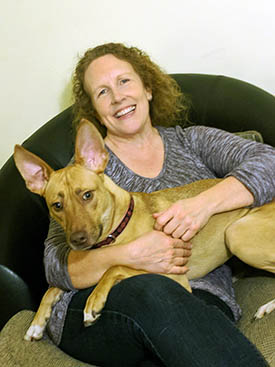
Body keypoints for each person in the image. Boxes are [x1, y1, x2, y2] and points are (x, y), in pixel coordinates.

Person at [44, 43, 275, 367]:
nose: (118, 97)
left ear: (148, 87)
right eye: (102, 92)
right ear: (94, 110)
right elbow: (55, 263)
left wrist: (202, 205)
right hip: (100, 308)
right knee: (153, 292)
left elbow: (270, 161)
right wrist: (132, 255)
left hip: (195, 298)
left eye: (124, 81)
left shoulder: (191, 141)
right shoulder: (81, 173)